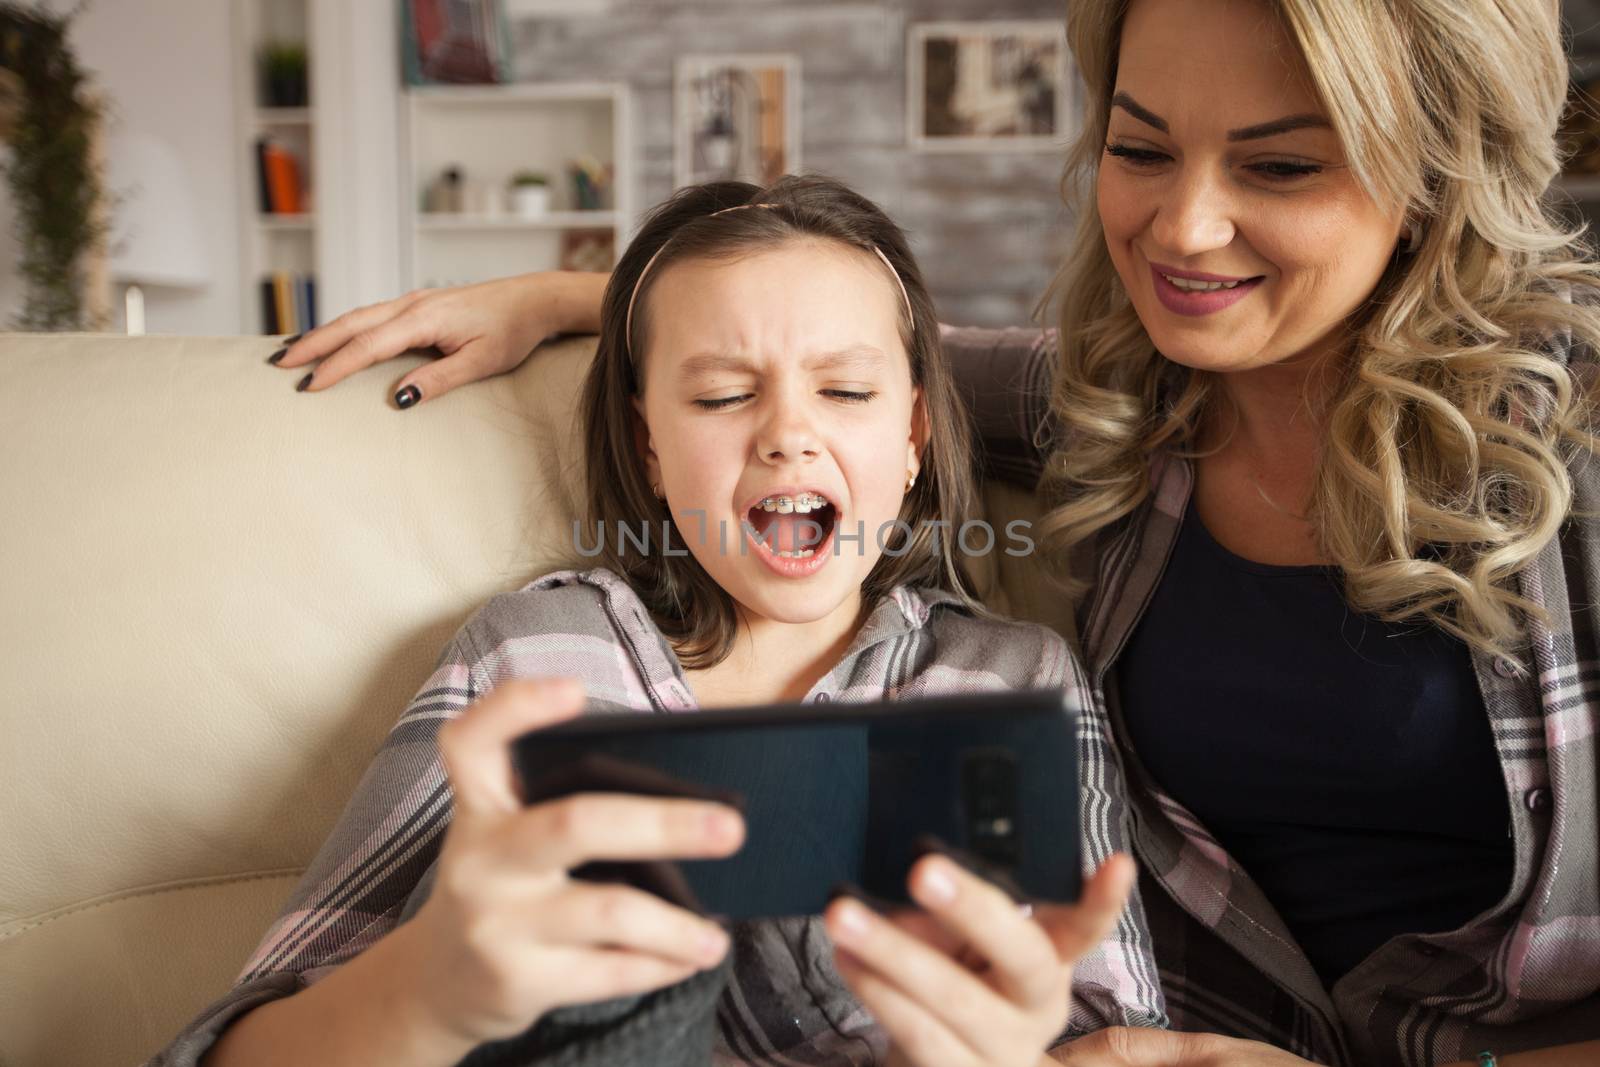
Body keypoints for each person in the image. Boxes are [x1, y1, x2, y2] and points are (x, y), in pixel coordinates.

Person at [264, 1, 1600, 1065]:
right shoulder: (1120, 414)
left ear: (1438, 165)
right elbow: (841, 359)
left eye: (1283, 163)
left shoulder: (1574, 447)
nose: (1182, 226)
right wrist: (569, 299)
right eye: (1139, 148)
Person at [150, 175, 1166, 1067]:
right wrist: (425, 990)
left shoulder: (1009, 678)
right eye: (724, 394)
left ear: (910, 435)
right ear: (647, 447)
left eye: (845, 389)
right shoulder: (540, 655)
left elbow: (1114, 1030)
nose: (787, 433)